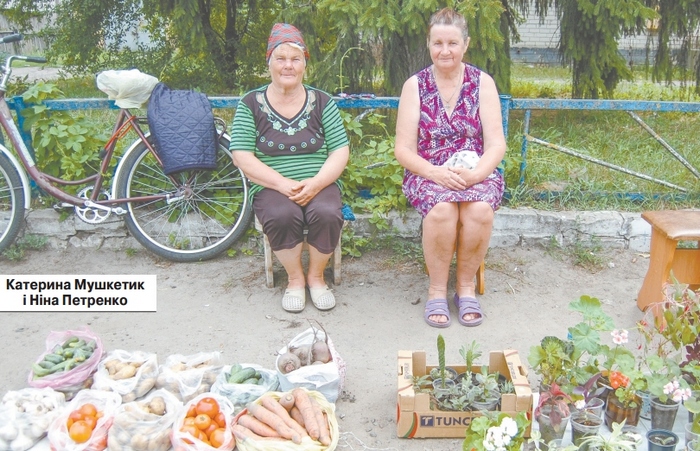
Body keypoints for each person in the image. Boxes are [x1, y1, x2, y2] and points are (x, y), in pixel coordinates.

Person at [394, 8, 506, 328]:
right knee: (442, 210)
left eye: (452, 43)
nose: (445, 51)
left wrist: (477, 175)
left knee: (479, 210)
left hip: (474, 169)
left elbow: (496, 144)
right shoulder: (415, 86)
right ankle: (436, 291)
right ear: (428, 44)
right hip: (428, 171)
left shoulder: (482, 83)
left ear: (465, 44)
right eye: (438, 43)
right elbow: (403, 150)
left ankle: (465, 287)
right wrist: (435, 173)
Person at [230, 23, 350, 313]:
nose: (288, 65)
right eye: (281, 58)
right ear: (269, 62)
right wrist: (282, 184)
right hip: (271, 184)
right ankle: (295, 280)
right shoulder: (250, 103)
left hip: (318, 180)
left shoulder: (322, 102)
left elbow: (340, 150)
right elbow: (241, 155)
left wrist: (317, 183)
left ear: (305, 65)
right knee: (281, 214)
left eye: (296, 59)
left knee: (327, 213)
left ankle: (316, 278)